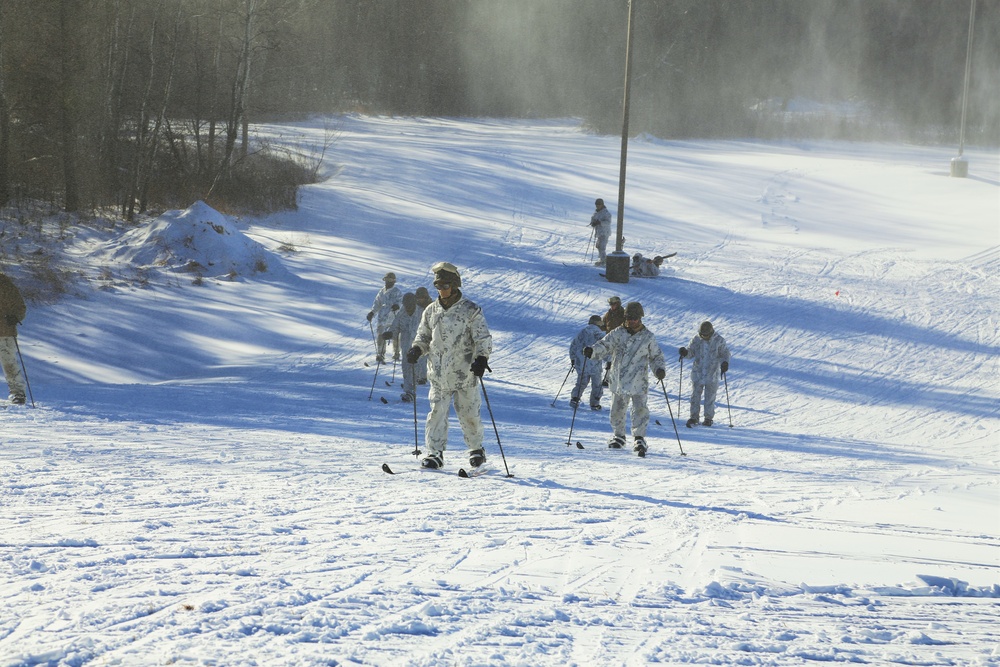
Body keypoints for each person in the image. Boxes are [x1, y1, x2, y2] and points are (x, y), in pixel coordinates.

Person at [407, 262, 493, 470]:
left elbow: (483, 338)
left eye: (445, 286)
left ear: (454, 286)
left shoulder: (470, 310)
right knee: (436, 413)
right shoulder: (431, 310)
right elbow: (423, 336)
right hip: (438, 373)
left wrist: (481, 358)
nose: (442, 290)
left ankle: (476, 450)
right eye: (438, 287)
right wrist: (417, 349)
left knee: (469, 412)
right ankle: (435, 453)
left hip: (465, 373)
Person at [584, 301, 666, 457]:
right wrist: (593, 351)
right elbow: (605, 345)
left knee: (640, 409)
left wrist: (659, 370)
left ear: (640, 318)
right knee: (617, 410)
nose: (632, 320)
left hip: (638, 380)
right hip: (619, 379)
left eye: (635, 318)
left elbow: (656, 356)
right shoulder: (618, 333)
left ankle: (639, 438)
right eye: (629, 317)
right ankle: (619, 436)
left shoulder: (647, 337)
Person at [680, 321, 731, 427]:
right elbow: (691, 352)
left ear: (711, 332)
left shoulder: (719, 340)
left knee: (710, 397)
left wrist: (725, 362)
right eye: (703, 334)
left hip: (712, 374)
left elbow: (725, 353)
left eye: (706, 335)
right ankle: (694, 417)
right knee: (695, 397)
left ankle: (708, 418)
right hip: (698, 373)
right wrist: (685, 353)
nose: (704, 336)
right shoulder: (696, 339)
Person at [388, 292, 424, 402]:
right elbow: (395, 328)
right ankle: (409, 390)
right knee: (405, 367)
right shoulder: (401, 313)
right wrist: (389, 334)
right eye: (406, 304)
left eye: (410, 304)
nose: (408, 306)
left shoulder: (422, 313)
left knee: (414, 368)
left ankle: (410, 391)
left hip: (420, 348)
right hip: (405, 346)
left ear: (414, 303)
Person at [0, 272, 28, 405]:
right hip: (5, 331)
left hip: (5, 331)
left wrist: (15, 317)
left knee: (9, 364)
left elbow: (20, 307)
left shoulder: (7, 286)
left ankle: (18, 393)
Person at [569, 315, 605, 410]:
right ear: (598, 323)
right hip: (595, 364)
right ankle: (595, 403)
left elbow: (573, 345)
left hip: (582, 363)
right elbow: (605, 347)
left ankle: (575, 398)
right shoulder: (599, 333)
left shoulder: (582, 332)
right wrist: (609, 361)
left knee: (581, 382)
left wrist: (573, 358)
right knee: (596, 384)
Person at [367, 272, 403, 363]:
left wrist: (397, 306)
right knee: (380, 335)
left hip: (393, 317)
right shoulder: (382, 291)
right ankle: (380, 353)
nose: (388, 282)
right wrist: (372, 312)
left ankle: (396, 353)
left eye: (390, 280)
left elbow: (401, 302)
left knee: (395, 335)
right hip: (382, 317)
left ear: (394, 281)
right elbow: (377, 303)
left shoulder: (397, 291)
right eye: (386, 280)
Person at [413, 287, 432, 383]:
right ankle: (415, 376)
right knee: (415, 356)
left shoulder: (431, 307)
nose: (419, 299)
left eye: (421, 297)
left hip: (428, 335)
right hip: (416, 333)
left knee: (424, 357)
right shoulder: (415, 307)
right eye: (418, 298)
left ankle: (423, 377)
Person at [590, 198, 613, 266]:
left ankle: (603, 261)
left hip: (605, 232)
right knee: (598, 246)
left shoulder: (606, 213)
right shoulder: (596, 212)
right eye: (596, 205)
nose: (597, 206)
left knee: (602, 246)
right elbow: (593, 219)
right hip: (599, 232)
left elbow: (608, 222)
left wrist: (600, 222)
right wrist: (593, 223)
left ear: (602, 204)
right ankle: (602, 259)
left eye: (599, 204)